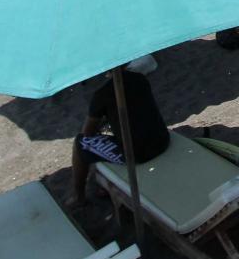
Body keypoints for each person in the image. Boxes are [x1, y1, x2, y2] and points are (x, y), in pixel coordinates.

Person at [71, 68, 170, 207]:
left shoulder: (102, 94)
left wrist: (102, 121)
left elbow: (87, 133)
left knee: (80, 144)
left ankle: (78, 196)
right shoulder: (140, 78)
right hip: (162, 139)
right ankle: (105, 185)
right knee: (109, 136)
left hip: (139, 154)